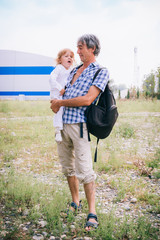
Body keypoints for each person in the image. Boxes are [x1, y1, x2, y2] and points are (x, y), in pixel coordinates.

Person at [50, 34, 109, 231]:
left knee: (85, 171)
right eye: (78, 47)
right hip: (63, 125)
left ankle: (92, 212)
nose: (77, 51)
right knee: (68, 168)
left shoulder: (100, 71)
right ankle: (76, 202)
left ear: (92, 48)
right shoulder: (73, 70)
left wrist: (60, 103)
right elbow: (62, 91)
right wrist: (55, 101)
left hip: (80, 126)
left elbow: (87, 99)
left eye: (81, 47)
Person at [49, 49, 74, 142]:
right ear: (60, 60)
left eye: (71, 57)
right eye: (66, 56)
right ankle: (58, 130)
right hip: (57, 93)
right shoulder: (59, 68)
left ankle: (65, 128)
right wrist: (60, 88)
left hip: (64, 94)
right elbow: (51, 79)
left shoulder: (71, 69)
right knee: (59, 110)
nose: (69, 58)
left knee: (65, 109)